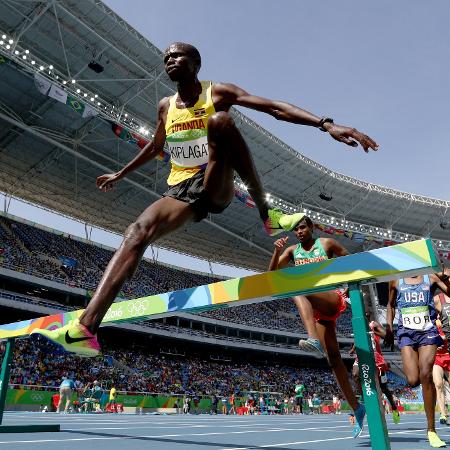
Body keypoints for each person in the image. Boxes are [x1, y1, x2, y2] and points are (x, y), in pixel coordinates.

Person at [30, 42, 378, 357]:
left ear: (195, 63)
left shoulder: (218, 92)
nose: (169, 60)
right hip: (181, 190)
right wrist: (121, 173)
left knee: (220, 122)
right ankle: (86, 329)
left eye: (177, 55)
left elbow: (272, 107)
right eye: (166, 57)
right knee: (137, 232)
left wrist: (325, 124)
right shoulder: (165, 106)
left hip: (216, 182)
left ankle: (265, 211)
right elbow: (155, 146)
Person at [269, 216, 366, 438]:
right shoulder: (293, 251)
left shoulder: (326, 244)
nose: (299, 232)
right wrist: (276, 252)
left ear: (311, 227)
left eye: (302, 227)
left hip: (332, 298)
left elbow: (354, 263)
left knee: (295, 286)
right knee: (333, 359)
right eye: (296, 230)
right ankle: (357, 408)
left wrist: (346, 285)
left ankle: (312, 338)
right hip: (318, 312)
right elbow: (272, 275)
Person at [385, 269, 450, 448]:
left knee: (426, 373)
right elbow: (390, 305)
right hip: (406, 334)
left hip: (427, 332)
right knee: (413, 380)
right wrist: (389, 328)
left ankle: (431, 430)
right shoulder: (395, 281)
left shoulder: (431, 278)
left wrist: (447, 281)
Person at [349, 318, 400, 424]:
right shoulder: (358, 324)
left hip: (376, 357)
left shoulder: (374, 324)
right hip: (362, 355)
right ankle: (363, 399)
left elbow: (386, 336)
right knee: (355, 374)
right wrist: (353, 349)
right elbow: (358, 339)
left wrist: (371, 331)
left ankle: (394, 408)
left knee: (384, 388)